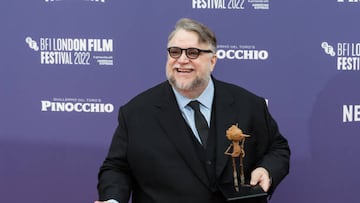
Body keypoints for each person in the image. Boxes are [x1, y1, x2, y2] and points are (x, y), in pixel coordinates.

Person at [95, 18, 290, 203]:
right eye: (175, 52)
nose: (182, 60)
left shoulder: (248, 105)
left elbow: (277, 148)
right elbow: (117, 168)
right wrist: (113, 199)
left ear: (212, 61)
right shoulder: (136, 113)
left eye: (192, 53)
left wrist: (267, 170)